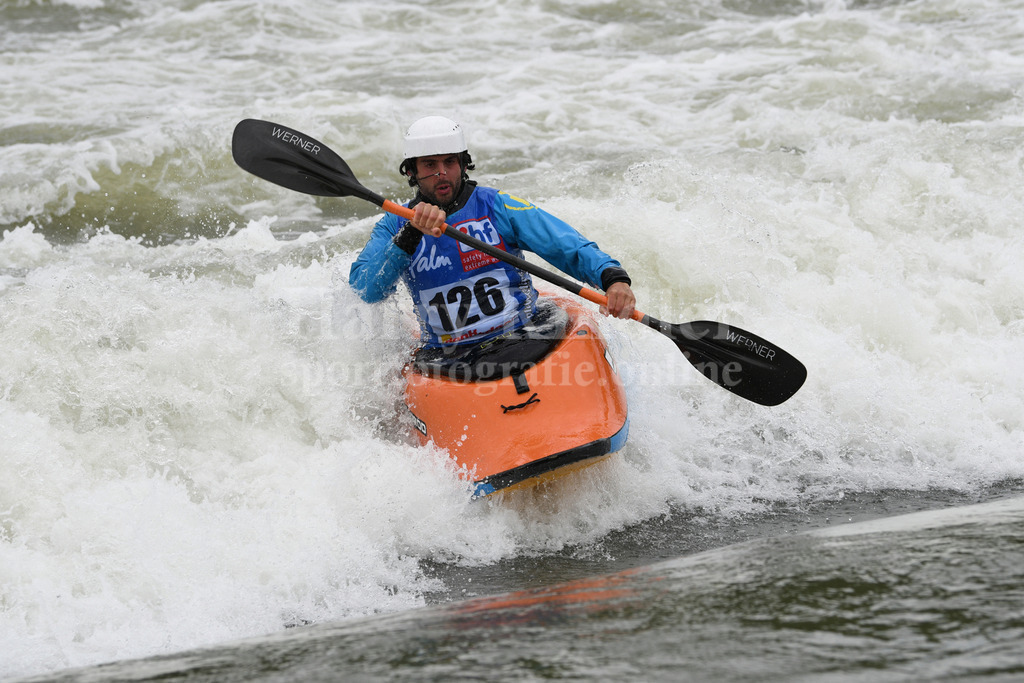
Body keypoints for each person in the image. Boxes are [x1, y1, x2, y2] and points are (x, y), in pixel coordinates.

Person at [349, 115, 636, 376]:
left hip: (521, 334)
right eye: (430, 165)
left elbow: (563, 243)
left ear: (463, 164)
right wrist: (411, 235)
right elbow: (366, 289)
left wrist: (612, 277)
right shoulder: (395, 224)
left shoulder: (496, 206)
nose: (442, 173)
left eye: (450, 162)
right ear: (412, 171)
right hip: (449, 357)